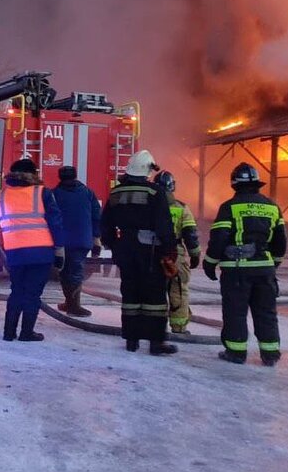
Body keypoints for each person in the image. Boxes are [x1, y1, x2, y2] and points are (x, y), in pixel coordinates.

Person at [0, 158, 66, 342]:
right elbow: (55, 222)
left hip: (15, 253)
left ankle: (9, 332)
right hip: (41, 253)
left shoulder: (2, 195)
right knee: (32, 294)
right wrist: (60, 249)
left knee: (17, 292)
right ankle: (26, 332)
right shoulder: (42, 193)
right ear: (34, 174)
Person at [203, 162, 287, 365]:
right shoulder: (272, 207)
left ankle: (236, 352)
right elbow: (280, 241)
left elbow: (220, 238)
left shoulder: (229, 207)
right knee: (266, 312)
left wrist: (209, 263)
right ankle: (270, 354)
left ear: (234, 184)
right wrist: (272, 265)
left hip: (237, 271)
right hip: (264, 270)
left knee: (235, 311)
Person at [99, 149, 177, 355]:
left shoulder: (116, 193)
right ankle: (155, 342)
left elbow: (105, 225)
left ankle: (132, 340)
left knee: (130, 294)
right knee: (154, 297)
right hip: (150, 251)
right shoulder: (154, 192)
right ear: (146, 170)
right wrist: (170, 251)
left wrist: (114, 246)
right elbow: (164, 225)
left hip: (125, 248)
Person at [50, 165, 102, 317]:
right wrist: (96, 238)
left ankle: (73, 305)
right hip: (82, 239)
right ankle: (72, 304)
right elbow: (96, 215)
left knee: (66, 272)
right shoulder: (87, 192)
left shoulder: (54, 194)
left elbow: (52, 218)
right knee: (75, 271)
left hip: (62, 241)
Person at [154, 170, 201, 334]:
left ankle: (155, 328)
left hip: (153, 253)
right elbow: (191, 234)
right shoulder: (182, 208)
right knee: (179, 290)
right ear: (172, 187)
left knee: (154, 292)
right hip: (175, 254)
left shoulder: (149, 207)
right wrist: (195, 255)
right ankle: (179, 327)